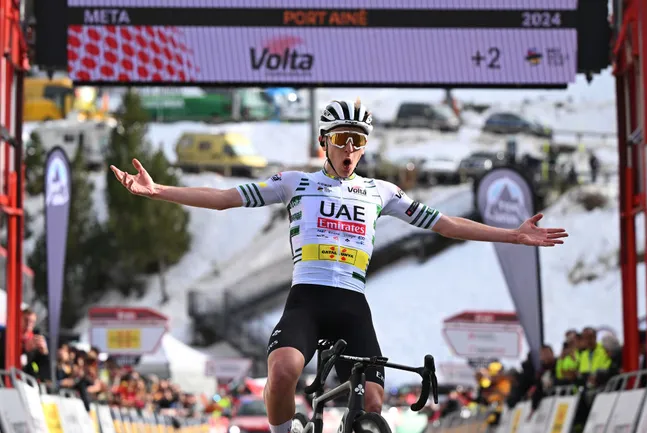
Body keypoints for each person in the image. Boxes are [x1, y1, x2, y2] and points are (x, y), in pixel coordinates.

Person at [110, 99, 568, 433]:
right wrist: (160, 191)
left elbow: (444, 224)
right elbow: (225, 199)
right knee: (284, 371)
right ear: (324, 143)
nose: (351, 149)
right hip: (306, 300)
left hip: (352, 305)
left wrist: (511, 233)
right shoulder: (295, 183)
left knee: (373, 401)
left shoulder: (380, 191)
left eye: (359, 141)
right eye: (342, 140)